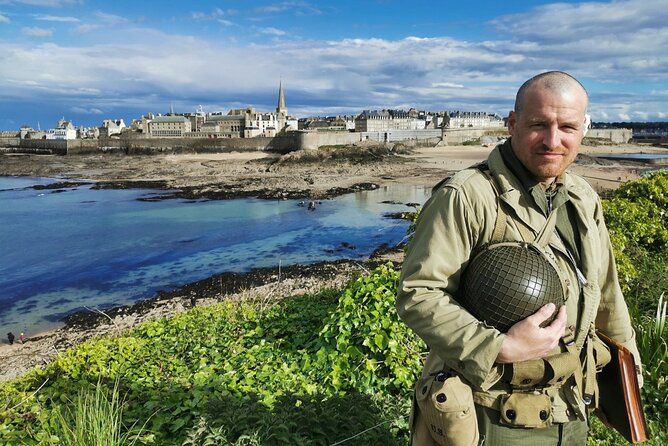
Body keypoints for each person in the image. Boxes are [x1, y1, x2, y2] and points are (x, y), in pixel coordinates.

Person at [396, 71, 642, 445]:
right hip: (490, 412)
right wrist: (499, 347)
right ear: (512, 124)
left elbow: (607, 293)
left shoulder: (582, 197)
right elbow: (419, 293)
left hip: (571, 405)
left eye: (568, 127)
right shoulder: (467, 196)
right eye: (538, 124)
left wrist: (630, 373)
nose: (553, 141)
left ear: (584, 130)